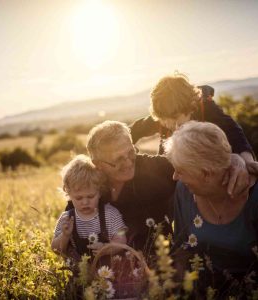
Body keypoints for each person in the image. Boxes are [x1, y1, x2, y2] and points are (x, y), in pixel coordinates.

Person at [65, 121, 249, 255]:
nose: (129, 162)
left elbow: (200, 160)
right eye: (118, 159)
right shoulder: (88, 186)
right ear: (98, 164)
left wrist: (235, 160)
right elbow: (69, 231)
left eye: (131, 152)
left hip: (161, 264)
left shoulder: (155, 168)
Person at [165, 121, 258, 294]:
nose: (174, 176)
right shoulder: (184, 191)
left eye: (180, 170)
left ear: (206, 174)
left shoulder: (255, 198)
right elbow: (181, 251)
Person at [130, 73, 258, 183]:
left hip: (203, 171)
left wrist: (247, 160)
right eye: (167, 123)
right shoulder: (164, 114)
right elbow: (133, 130)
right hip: (171, 172)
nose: (174, 128)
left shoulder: (206, 109)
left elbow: (234, 131)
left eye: (177, 121)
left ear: (191, 107)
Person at [51, 154, 127, 259]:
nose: (85, 202)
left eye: (90, 196)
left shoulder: (110, 214)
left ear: (99, 192)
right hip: (79, 271)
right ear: (69, 194)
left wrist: (106, 248)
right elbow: (56, 250)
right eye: (79, 198)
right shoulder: (67, 219)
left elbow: (122, 241)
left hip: (107, 269)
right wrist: (65, 235)